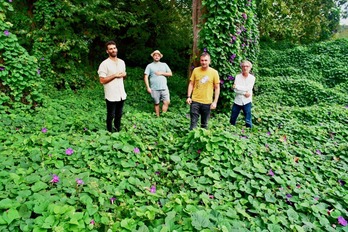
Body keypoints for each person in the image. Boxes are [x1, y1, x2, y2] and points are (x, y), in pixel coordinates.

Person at [97, 41, 127, 132]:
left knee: (119, 114)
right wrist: (114, 75)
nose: (113, 50)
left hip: (121, 93)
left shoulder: (122, 62)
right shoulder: (104, 64)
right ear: (107, 51)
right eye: (111, 49)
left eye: (114, 48)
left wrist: (124, 75)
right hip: (111, 94)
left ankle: (117, 130)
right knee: (111, 115)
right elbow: (102, 80)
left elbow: (123, 77)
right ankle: (109, 131)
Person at [186, 52, 220, 130]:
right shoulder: (195, 70)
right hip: (195, 101)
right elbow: (191, 84)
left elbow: (217, 88)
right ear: (200, 61)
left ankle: (203, 140)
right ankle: (192, 140)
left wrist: (215, 102)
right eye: (202, 60)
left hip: (207, 102)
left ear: (209, 61)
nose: (203, 62)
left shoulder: (214, 72)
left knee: (204, 124)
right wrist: (188, 97)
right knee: (193, 124)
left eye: (205, 60)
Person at [144, 50, 172, 117]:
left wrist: (161, 73)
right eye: (155, 55)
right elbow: (145, 76)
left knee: (167, 102)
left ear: (160, 57)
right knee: (156, 103)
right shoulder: (149, 66)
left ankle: (163, 115)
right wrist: (148, 87)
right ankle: (158, 117)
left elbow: (170, 74)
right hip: (154, 88)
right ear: (153, 57)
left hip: (164, 87)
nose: (157, 56)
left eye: (158, 55)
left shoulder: (164, 64)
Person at [229, 60, 255, 128]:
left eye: (247, 66)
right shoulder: (237, 77)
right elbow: (235, 90)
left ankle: (249, 131)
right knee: (233, 117)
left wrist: (237, 86)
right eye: (243, 66)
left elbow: (248, 88)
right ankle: (231, 129)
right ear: (241, 67)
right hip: (237, 100)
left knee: (248, 118)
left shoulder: (252, 78)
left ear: (250, 68)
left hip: (247, 101)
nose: (245, 68)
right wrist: (244, 92)